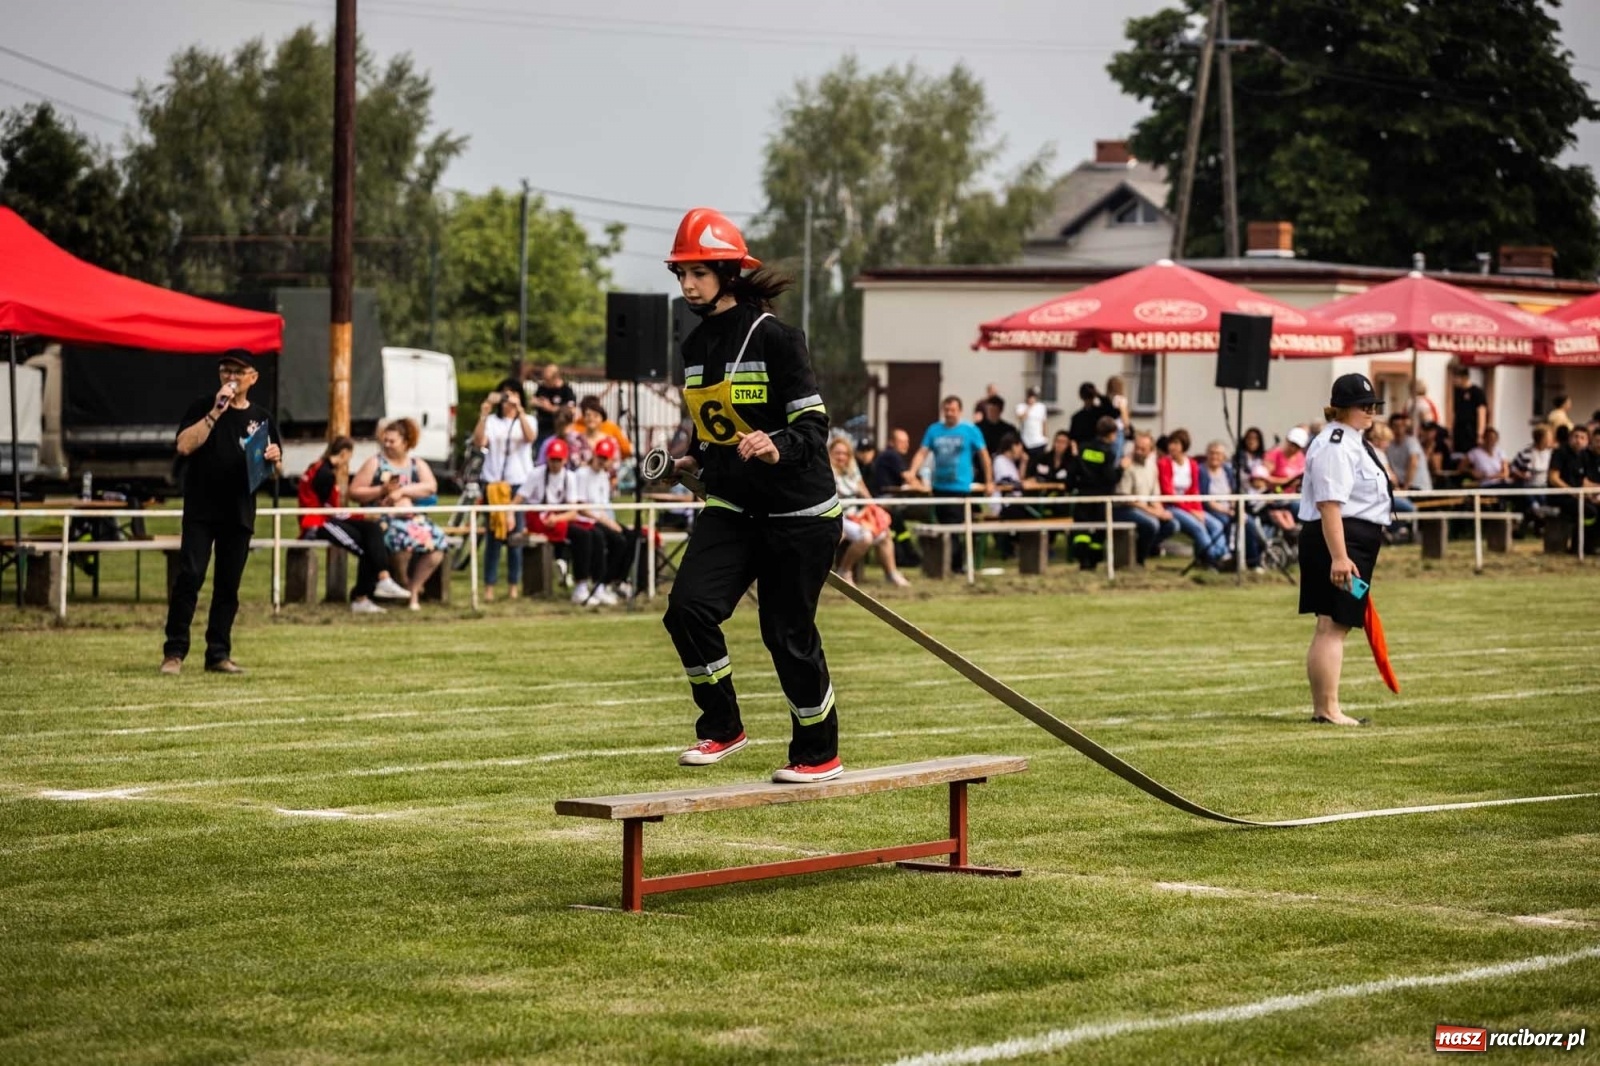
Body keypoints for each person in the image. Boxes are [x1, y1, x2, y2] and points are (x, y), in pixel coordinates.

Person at [660, 207, 846, 784]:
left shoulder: (779, 339)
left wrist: (776, 445)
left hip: (800, 514)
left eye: (698, 272)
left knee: (785, 635)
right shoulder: (693, 346)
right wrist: (695, 457)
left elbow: (815, 428)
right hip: (734, 508)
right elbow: (712, 426)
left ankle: (818, 752)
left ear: (728, 272)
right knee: (687, 610)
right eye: (681, 273)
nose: (688, 284)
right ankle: (723, 726)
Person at [161, 349, 282, 674]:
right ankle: (174, 652)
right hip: (202, 508)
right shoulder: (204, 406)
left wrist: (274, 457)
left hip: (239, 510)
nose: (230, 377)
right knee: (190, 578)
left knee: (228, 586)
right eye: (225, 371)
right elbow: (185, 445)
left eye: (238, 372)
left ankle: (218, 653)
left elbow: (277, 466)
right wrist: (216, 411)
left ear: (252, 378)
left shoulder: (261, 417)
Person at [1297, 373, 1392, 727]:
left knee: (1335, 624)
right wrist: (1340, 556)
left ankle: (1328, 706)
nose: (1370, 412)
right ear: (1343, 408)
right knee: (1334, 624)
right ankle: (1327, 708)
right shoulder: (1337, 443)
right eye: (1363, 406)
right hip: (1340, 540)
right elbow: (1330, 504)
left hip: (1349, 541)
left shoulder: (1352, 441)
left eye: (1373, 406)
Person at [297, 436, 411, 614]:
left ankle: (383, 578)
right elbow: (327, 509)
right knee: (366, 548)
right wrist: (356, 514)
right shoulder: (324, 474)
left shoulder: (320, 468)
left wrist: (360, 517)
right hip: (317, 523)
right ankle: (362, 596)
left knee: (372, 530)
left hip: (327, 518)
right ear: (344, 453)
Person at [348, 417, 446, 611]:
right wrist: (381, 491)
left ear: (406, 442)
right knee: (401, 540)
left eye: (392, 441)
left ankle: (414, 590)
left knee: (438, 543)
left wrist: (403, 491)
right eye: (385, 440)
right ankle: (401, 583)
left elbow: (431, 486)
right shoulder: (375, 462)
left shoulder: (416, 464)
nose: (387, 444)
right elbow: (354, 492)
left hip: (411, 517)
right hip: (382, 519)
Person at [909, 395, 994, 576]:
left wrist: (989, 481)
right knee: (941, 527)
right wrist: (912, 471)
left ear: (960, 411)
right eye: (946, 410)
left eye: (953, 410)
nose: (949, 414)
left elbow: (984, 457)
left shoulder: (970, 431)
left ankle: (956, 565)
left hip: (960, 488)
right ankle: (941, 563)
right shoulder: (934, 430)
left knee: (955, 528)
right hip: (939, 486)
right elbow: (922, 453)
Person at [473, 380, 537, 601]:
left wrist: (519, 411)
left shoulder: (528, 420)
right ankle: (489, 587)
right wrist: (484, 413)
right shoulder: (492, 421)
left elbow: (530, 438)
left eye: (512, 395)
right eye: (504, 395)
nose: (507, 400)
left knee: (515, 536)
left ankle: (513, 585)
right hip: (494, 483)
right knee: (493, 536)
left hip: (518, 483)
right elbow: (479, 442)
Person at [516, 436, 594, 592]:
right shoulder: (536, 474)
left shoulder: (570, 477)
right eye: (552, 459)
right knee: (564, 530)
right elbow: (520, 497)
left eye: (558, 460)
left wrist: (557, 518)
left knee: (584, 534)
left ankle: (580, 579)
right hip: (538, 517)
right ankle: (563, 563)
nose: (555, 464)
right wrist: (509, 515)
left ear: (565, 460)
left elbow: (572, 512)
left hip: (559, 518)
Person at [829, 437, 909, 587]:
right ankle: (844, 571)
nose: (841, 457)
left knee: (884, 533)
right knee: (865, 537)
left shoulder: (852, 470)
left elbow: (864, 492)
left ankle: (891, 573)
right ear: (830, 453)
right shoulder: (826, 472)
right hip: (837, 517)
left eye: (844, 453)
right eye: (837, 453)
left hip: (854, 516)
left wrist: (873, 508)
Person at [1157, 428, 1228, 567]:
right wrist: (1191, 512)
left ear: (1184, 445)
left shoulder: (1192, 464)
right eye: (1171, 443)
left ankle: (1222, 554)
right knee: (1198, 528)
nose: (1173, 447)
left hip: (1190, 506)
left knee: (1217, 525)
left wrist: (1199, 511)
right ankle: (1214, 558)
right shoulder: (1164, 463)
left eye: (1176, 443)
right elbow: (1167, 492)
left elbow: (1194, 491)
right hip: (1172, 506)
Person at [1113, 431, 1176, 565]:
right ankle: (1139, 560)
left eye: (1143, 449)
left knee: (1172, 525)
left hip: (1143, 508)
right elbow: (1126, 499)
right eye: (1137, 448)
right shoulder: (1127, 465)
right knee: (1151, 524)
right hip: (1124, 509)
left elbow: (1154, 496)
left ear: (1151, 451)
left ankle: (1140, 550)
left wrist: (1161, 511)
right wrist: (1152, 512)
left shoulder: (1152, 466)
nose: (1139, 451)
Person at [1200, 439, 1262, 570]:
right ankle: (1226, 558)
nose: (1214, 456)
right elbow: (1206, 499)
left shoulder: (1227, 471)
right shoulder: (1202, 471)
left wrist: (1235, 507)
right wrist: (1227, 511)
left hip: (1229, 507)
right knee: (1227, 522)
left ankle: (1253, 560)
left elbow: (1233, 492)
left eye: (1218, 454)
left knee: (1249, 523)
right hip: (1212, 509)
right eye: (1212, 453)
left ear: (1223, 457)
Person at [1070, 417, 1121, 570]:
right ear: (1111, 434)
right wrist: (1121, 469)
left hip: (1084, 494)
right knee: (1099, 531)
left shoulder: (1084, 448)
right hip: (1101, 497)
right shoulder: (1108, 453)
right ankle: (1093, 560)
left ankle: (1082, 559)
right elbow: (1110, 477)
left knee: (1082, 530)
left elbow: (1074, 471)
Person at [1548, 424, 1599, 549]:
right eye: (1576, 436)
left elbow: (1584, 481)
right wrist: (1572, 492)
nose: (1578, 440)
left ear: (1587, 441)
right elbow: (1553, 478)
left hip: (1577, 496)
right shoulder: (1560, 453)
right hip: (1560, 496)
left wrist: (1593, 493)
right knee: (1589, 511)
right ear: (1570, 438)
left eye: (1582, 438)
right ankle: (1578, 546)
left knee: (1597, 507)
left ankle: (1590, 545)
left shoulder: (1583, 456)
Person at [530, 362, 577, 444]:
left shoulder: (566, 390)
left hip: (558, 429)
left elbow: (571, 410)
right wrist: (537, 403)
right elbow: (533, 400)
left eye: (548, 380)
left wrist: (550, 408)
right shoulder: (542, 388)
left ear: (556, 378)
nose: (545, 383)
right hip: (542, 428)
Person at [1450, 365, 1488, 457]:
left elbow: (1481, 413)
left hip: (1471, 432)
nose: (1454, 380)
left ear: (1464, 378)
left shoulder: (1477, 392)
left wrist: (1480, 434)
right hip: (1459, 432)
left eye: (1456, 377)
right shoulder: (1457, 392)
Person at [1260, 426, 1310, 491]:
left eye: (1298, 447)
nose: (1293, 449)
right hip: (1274, 495)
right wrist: (1286, 481)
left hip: (1294, 496)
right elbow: (1264, 478)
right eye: (1292, 444)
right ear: (1287, 440)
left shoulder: (1301, 457)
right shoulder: (1274, 454)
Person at [1015, 387, 1049, 467]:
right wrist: (1029, 407)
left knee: (1039, 464)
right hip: (1026, 441)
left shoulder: (1041, 407)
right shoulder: (1021, 407)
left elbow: (1043, 422)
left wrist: (1045, 437)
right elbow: (1021, 417)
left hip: (1039, 441)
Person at [1105, 375, 1132, 459]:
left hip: (1108, 429)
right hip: (1119, 430)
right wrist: (1127, 426)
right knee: (1117, 453)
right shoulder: (1120, 399)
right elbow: (1125, 418)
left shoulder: (1108, 400)